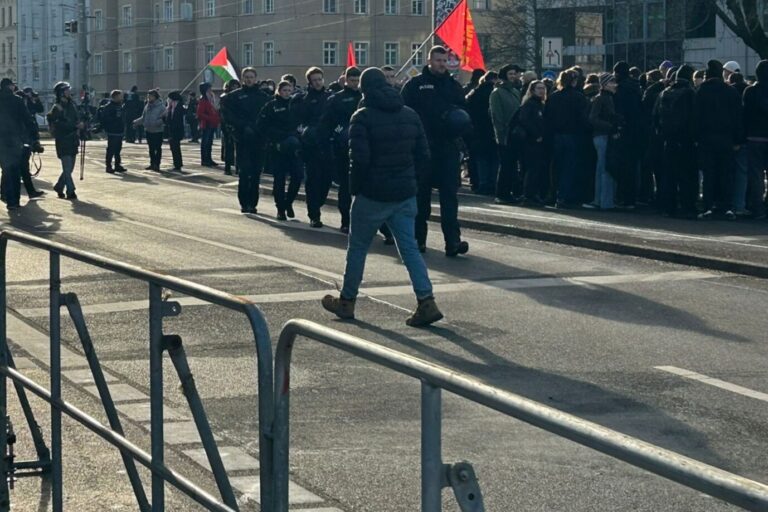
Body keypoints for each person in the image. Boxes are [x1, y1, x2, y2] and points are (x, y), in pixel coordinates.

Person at [321, 67, 442, 327]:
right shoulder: (410, 114)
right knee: (409, 248)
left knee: (358, 248)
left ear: (364, 89)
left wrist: (355, 189)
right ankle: (426, 300)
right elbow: (424, 155)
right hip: (404, 192)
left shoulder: (361, 117)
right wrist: (413, 183)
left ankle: (347, 301)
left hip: (372, 193)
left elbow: (359, 159)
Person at [402, 46, 470, 257]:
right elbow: (403, 113)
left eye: (444, 60)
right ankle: (418, 239)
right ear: (429, 60)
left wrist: (464, 138)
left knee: (449, 196)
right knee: (421, 197)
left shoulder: (454, 86)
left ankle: (453, 241)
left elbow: (465, 113)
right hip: (422, 148)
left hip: (448, 147)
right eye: (438, 60)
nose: (442, 64)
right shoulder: (415, 85)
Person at [694, 60, 742, 220]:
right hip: (726, 138)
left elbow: (696, 117)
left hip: (706, 139)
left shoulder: (701, 91)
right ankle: (726, 206)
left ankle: (708, 205)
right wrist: (737, 140)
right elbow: (737, 118)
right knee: (726, 173)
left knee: (709, 174)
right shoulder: (730, 92)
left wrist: (696, 137)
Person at [221, 67, 271, 213]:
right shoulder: (234, 96)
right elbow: (228, 116)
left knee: (256, 172)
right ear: (243, 79)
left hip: (259, 139)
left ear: (255, 78)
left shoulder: (263, 96)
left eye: (251, 77)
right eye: (246, 77)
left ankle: (253, 203)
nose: (249, 79)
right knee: (244, 171)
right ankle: (244, 203)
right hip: (242, 138)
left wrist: (261, 130)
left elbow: (267, 117)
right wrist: (241, 127)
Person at [319, 66, 362, 232]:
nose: (355, 83)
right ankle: (346, 220)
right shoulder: (336, 99)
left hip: (361, 147)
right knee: (345, 186)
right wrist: (336, 134)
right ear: (346, 79)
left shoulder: (364, 97)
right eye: (352, 80)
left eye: (358, 80)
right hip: (342, 148)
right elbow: (326, 123)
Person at [653, 65, 698, 218]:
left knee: (669, 176)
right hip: (685, 141)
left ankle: (668, 207)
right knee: (687, 176)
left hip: (668, 140)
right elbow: (693, 119)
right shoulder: (690, 93)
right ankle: (688, 207)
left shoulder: (664, 93)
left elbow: (655, 118)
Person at [290, 66, 332, 226]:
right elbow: (296, 120)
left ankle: (318, 204)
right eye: (314, 80)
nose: (318, 83)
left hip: (327, 144)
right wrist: (304, 132)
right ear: (309, 82)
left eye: (320, 79)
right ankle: (314, 214)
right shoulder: (303, 99)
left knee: (326, 181)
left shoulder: (331, 97)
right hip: (311, 145)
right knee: (313, 180)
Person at [545, 68, 589, 208]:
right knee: (569, 167)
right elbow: (583, 118)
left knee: (555, 166)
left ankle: (554, 194)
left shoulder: (553, 97)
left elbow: (548, 117)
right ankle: (565, 196)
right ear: (574, 81)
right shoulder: (579, 97)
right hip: (573, 135)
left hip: (556, 135)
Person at [257, 80, 302, 219]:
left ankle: (288, 202)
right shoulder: (271, 105)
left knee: (297, 177)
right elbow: (262, 125)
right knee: (279, 179)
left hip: (294, 146)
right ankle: (280, 208)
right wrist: (275, 138)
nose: (287, 93)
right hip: (278, 146)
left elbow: (301, 122)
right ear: (279, 91)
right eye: (284, 90)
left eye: (289, 90)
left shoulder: (296, 105)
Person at [0, 78, 40, 210]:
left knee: (6, 169)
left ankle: (6, 195)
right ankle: (13, 202)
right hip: (15, 140)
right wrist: (34, 137)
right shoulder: (17, 101)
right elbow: (27, 119)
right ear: (10, 87)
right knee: (15, 171)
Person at [584, 73, 621, 210]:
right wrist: (611, 126)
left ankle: (601, 200)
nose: (614, 85)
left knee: (603, 167)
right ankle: (605, 201)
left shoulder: (604, 98)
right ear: (605, 84)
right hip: (602, 135)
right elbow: (593, 118)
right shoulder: (602, 99)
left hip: (602, 135)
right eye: (612, 82)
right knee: (605, 168)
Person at [490, 64, 523, 204]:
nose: (513, 76)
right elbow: (497, 116)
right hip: (505, 134)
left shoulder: (515, 91)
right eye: (510, 74)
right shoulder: (497, 93)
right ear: (505, 76)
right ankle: (502, 193)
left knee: (513, 165)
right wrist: (501, 135)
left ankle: (512, 191)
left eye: (515, 74)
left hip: (516, 134)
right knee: (505, 166)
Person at [612, 61, 643, 208]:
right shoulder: (636, 87)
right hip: (637, 131)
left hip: (625, 131)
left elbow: (619, 111)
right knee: (633, 166)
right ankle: (632, 198)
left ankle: (624, 197)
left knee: (623, 167)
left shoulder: (620, 89)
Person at [47, 81, 83, 200]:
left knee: (70, 168)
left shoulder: (72, 105)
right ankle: (71, 191)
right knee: (67, 168)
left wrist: (82, 123)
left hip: (73, 139)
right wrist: (74, 126)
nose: (69, 92)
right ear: (61, 93)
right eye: (66, 90)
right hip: (63, 140)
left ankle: (59, 186)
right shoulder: (57, 107)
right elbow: (57, 124)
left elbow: (77, 119)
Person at [465, 71, 498, 195]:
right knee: (494, 158)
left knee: (481, 159)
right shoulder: (495, 93)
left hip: (477, 130)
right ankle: (493, 183)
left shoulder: (474, 93)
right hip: (492, 130)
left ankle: (482, 183)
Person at [743, 59, 768, 220]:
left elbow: (744, 116)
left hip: (754, 137)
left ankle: (758, 209)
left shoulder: (750, 92)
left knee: (756, 175)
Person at [517, 80, 548, 206]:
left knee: (536, 168)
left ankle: (533, 194)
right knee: (532, 168)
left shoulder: (540, 104)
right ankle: (528, 195)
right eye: (539, 88)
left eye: (543, 88)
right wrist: (536, 135)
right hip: (531, 141)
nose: (541, 91)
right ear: (532, 90)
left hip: (538, 140)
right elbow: (525, 120)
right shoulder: (530, 104)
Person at [133, 89, 165, 172]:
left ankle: (157, 164)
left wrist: (157, 123)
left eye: (150, 96)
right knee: (151, 148)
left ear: (155, 97)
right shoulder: (147, 106)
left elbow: (164, 118)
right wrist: (136, 122)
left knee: (157, 148)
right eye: (148, 96)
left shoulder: (161, 106)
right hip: (148, 130)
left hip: (158, 131)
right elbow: (143, 117)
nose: (149, 98)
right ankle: (152, 163)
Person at [98, 90, 127, 174]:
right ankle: (108, 166)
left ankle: (117, 165)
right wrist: (114, 121)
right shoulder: (109, 107)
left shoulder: (120, 106)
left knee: (118, 149)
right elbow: (105, 119)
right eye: (120, 96)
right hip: (112, 131)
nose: (122, 98)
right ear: (115, 97)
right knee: (111, 149)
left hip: (119, 130)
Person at [196, 82, 221, 167]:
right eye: (209, 88)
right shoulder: (203, 100)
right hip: (206, 124)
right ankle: (204, 159)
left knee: (209, 142)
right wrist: (210, 117)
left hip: (212, 123)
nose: (211, 90)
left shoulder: (210, 98)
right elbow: (199, 113)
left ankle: (209, 159)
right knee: (205, 142)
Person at [219, 79, 241, 176]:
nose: (235, 88)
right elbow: (223, 113)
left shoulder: (239, 97)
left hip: (238, 125)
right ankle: (227, 167)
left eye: (236, 86)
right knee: (228, 147)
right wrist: (227, 125)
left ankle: (238, 167)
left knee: (238, 148)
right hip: (227, 125)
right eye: (233, 86)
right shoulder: (225, 97)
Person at [164, 91, 186, 171]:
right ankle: (176, 163)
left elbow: (178, 120)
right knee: (173, 148)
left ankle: (178, 164)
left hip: (177, 131)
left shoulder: (179, 106)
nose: (168, 100)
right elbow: (167, 119)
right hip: (171, 131)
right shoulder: (170, 107)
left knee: (176, 148)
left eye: (169, 98)